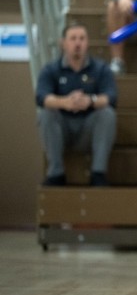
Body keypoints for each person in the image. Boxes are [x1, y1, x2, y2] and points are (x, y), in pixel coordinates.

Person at [36, 24, 118, 187]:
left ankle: (98, 173)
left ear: (87, 42)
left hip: (89, 128)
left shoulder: (101, 69)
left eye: (82, 38)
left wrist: (90, 100)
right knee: (45, 113)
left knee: (107, 113)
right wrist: (64, 102)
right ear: (63, 43)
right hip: (62, 129)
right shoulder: (51, 69)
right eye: (73, 39)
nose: (78, 43)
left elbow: (111, 97)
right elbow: (41, 97)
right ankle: (56, 174)